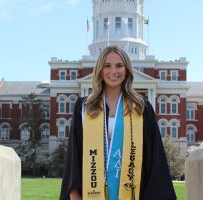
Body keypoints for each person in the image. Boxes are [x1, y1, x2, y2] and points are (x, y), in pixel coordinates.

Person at [59, 46, 176, 200]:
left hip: (133, 191)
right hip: (92, 191)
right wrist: (74, 193)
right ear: (100, 70)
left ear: (127, 69)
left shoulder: (141, 108)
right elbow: (74, 153)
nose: (113, 71)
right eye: (107, 66)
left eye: (119, 65)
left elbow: (154, 157)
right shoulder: (84, 107)